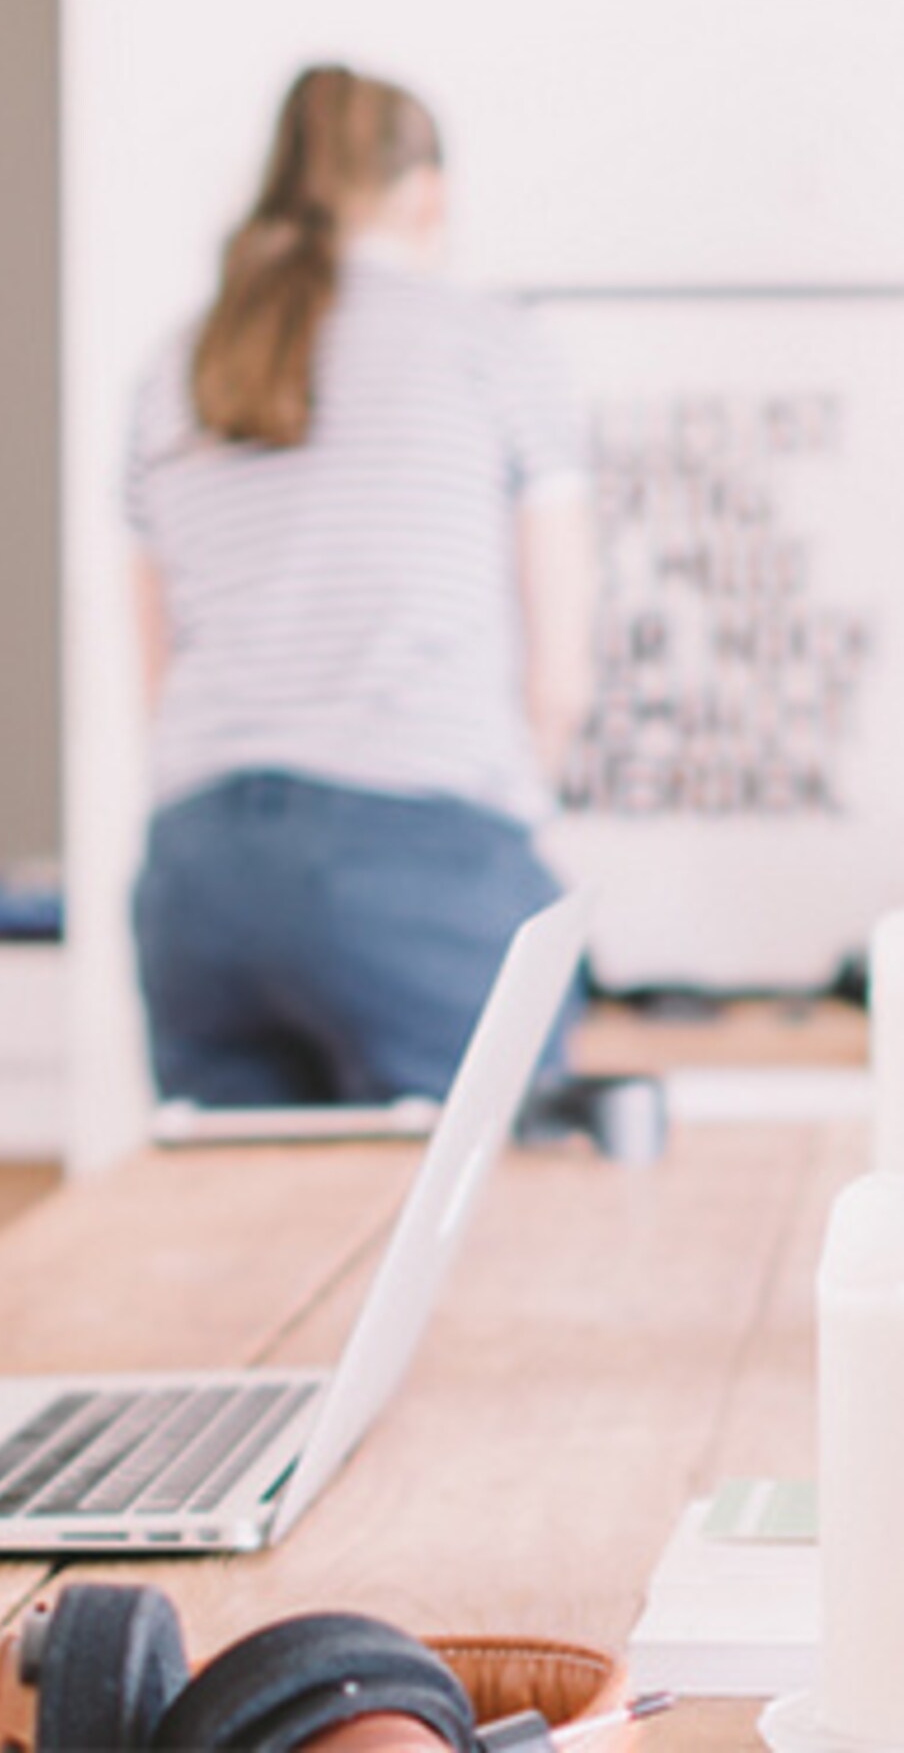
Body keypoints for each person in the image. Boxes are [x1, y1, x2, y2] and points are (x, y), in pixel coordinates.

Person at [126, 64, 594, 1105]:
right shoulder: (490, 346)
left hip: (201, 872)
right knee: (479, 1228)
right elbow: (557, 675)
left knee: (245, 1241)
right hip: (415, 847)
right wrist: (507, 828)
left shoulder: (175, 365)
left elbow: (156, 671)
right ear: (427, 194)